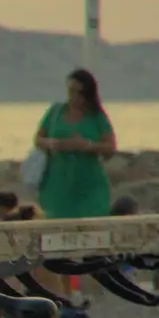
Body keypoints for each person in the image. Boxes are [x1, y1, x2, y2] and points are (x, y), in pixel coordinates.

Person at [34, 69, 116, 220]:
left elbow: (110, 148)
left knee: (92, 226)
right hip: (57, 182)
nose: (74, 97)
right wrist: (54, 144)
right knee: (56, 226)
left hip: (89, 183)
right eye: (71, 91)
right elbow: (38, 139)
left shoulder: (96, 115)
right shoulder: (56, 111)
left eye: (79, 93)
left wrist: (86, 145)